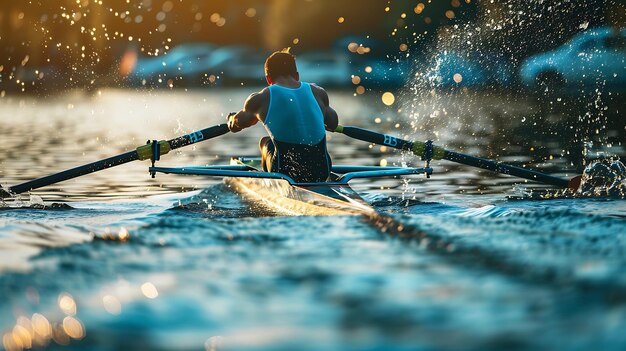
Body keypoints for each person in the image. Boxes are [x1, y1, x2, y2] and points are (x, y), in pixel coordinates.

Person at [227, 48, 339, 183]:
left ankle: (269, 184)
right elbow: (333, 123)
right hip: (322, 170)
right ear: (297, 75)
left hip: (285, 172)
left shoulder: (260, 98)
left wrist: (231, 119)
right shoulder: (318, 92)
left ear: (268, 79)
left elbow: (236, 125)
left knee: (264, 142)